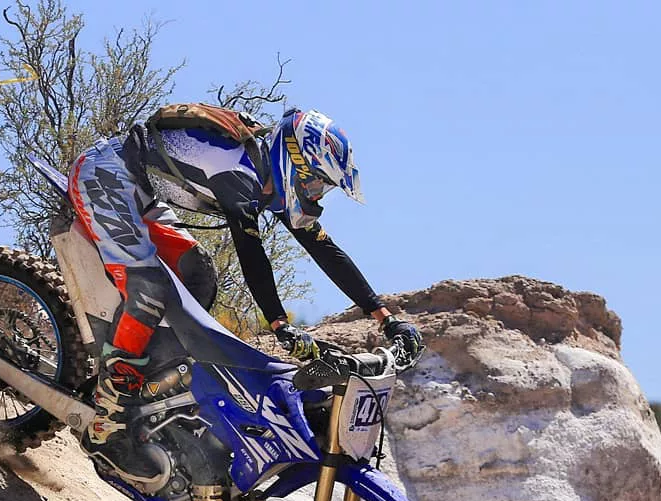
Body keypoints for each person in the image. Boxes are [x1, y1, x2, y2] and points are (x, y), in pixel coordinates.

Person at [68, 105, 423, 479]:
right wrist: (279, 325)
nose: (317, 195)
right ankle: (108, 420)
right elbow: (250, 253)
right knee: (149, 288)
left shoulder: (268, 178)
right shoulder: (237, 171)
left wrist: (386, 319)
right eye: (317, 183)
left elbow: (325, 250)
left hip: (139, 196)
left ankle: (151, 382)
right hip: (106, 178)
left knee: (198, 274)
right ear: (294, 163)